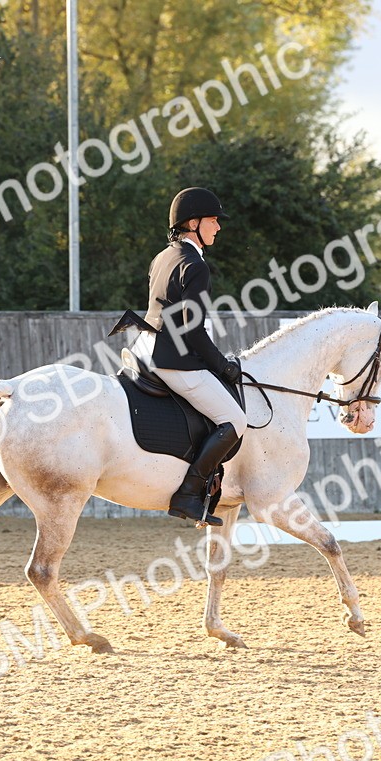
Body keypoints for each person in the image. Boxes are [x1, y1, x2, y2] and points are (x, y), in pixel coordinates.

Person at [132, 187, 246, 527]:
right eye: (213, 221)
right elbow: (193, 332)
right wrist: (223, 366)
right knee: (235, 420)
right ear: (193, 223)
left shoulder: (163, 257)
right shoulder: (195, 265)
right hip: (173, 359)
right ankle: (188, 493)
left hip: (142, 350)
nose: (218, 227)